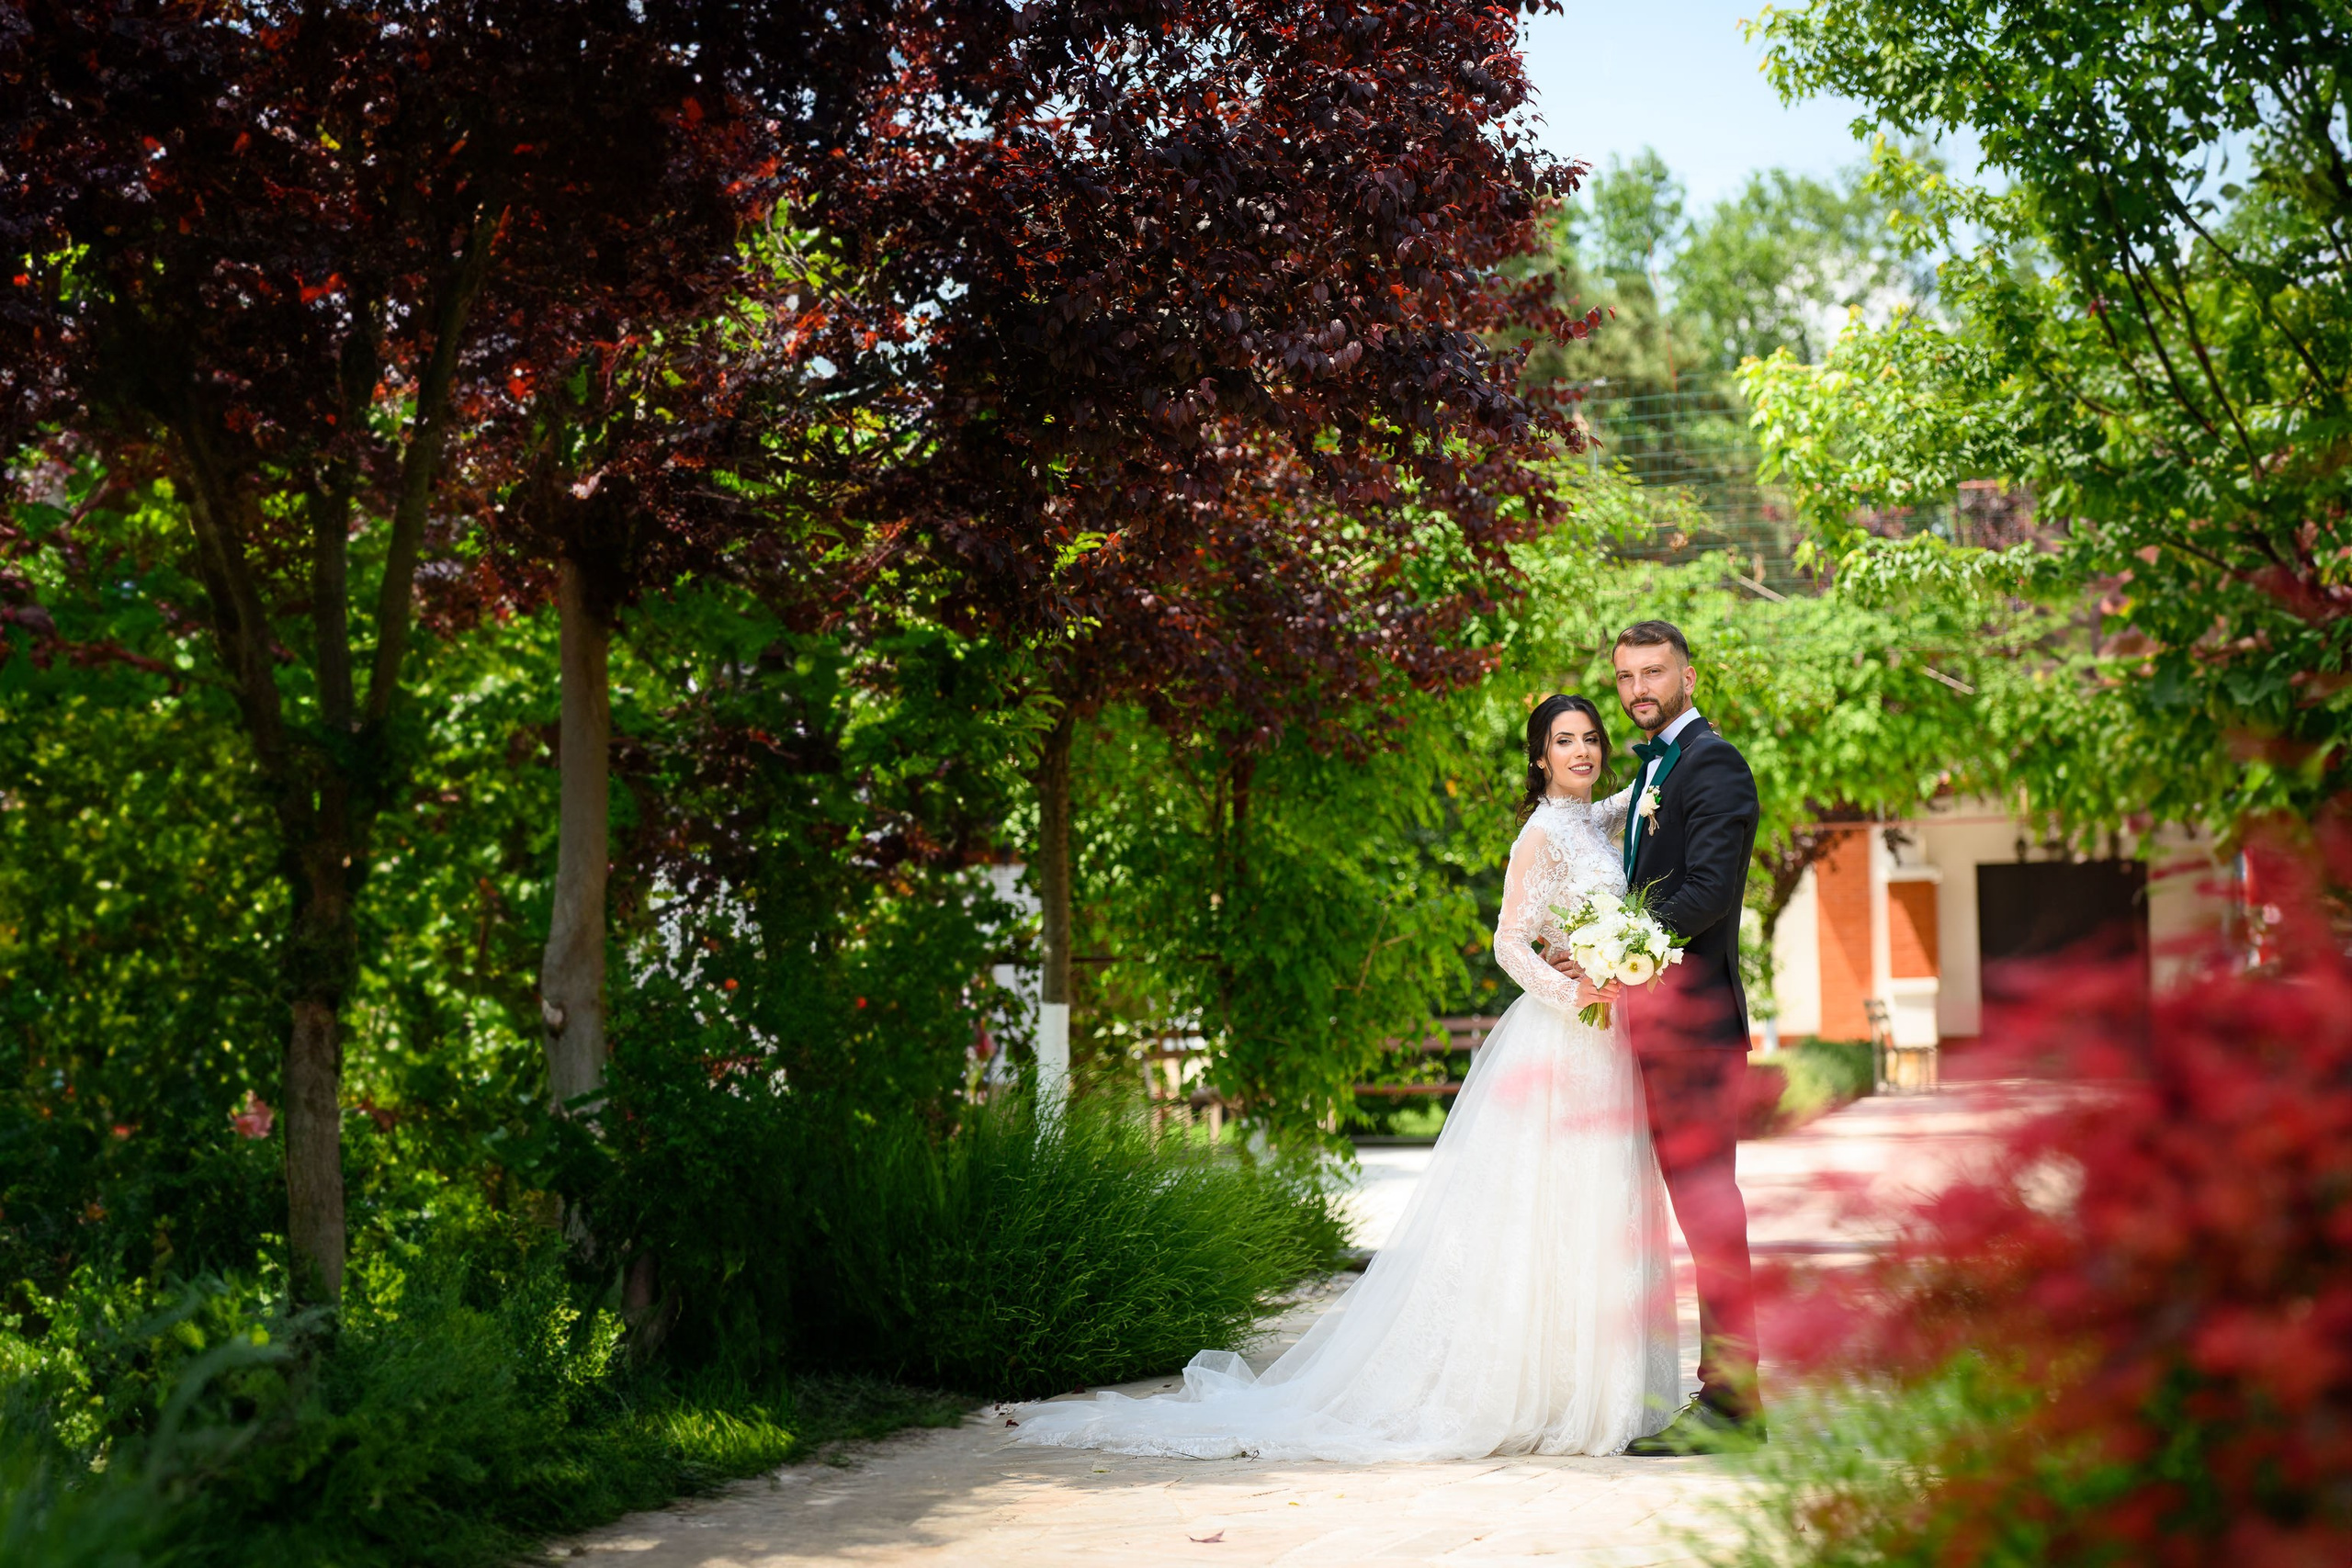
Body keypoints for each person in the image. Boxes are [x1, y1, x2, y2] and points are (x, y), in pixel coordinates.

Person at [1007, 694, 1681, 1460]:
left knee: (1598, 1207)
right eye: (1566, 741)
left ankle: (1602, 1385)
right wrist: (1575, 989)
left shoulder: (1592, 822)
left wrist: (1673, 751)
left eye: (1592, 738)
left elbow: (1641, 794)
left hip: (1606, 1048)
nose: (1584, 751)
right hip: (1562, 1042)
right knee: (1552, 1210)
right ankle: (1548, 1393)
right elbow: (1508, 942)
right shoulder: (1539, 835)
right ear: (1539, 757)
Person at [1551, 619, 1764, 1453]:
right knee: (1692, 1214)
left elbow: (1709, 888)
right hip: (1656, 1032)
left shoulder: (1714, 764)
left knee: (1712, 1215)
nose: (1639, 688)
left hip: (1699, 1031)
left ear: (1689, 675)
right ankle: (1723, 1397)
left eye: (1655, 672)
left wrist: (1623, 949)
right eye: (1628, 676)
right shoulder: (1658, 770)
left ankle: (1734, 1406)